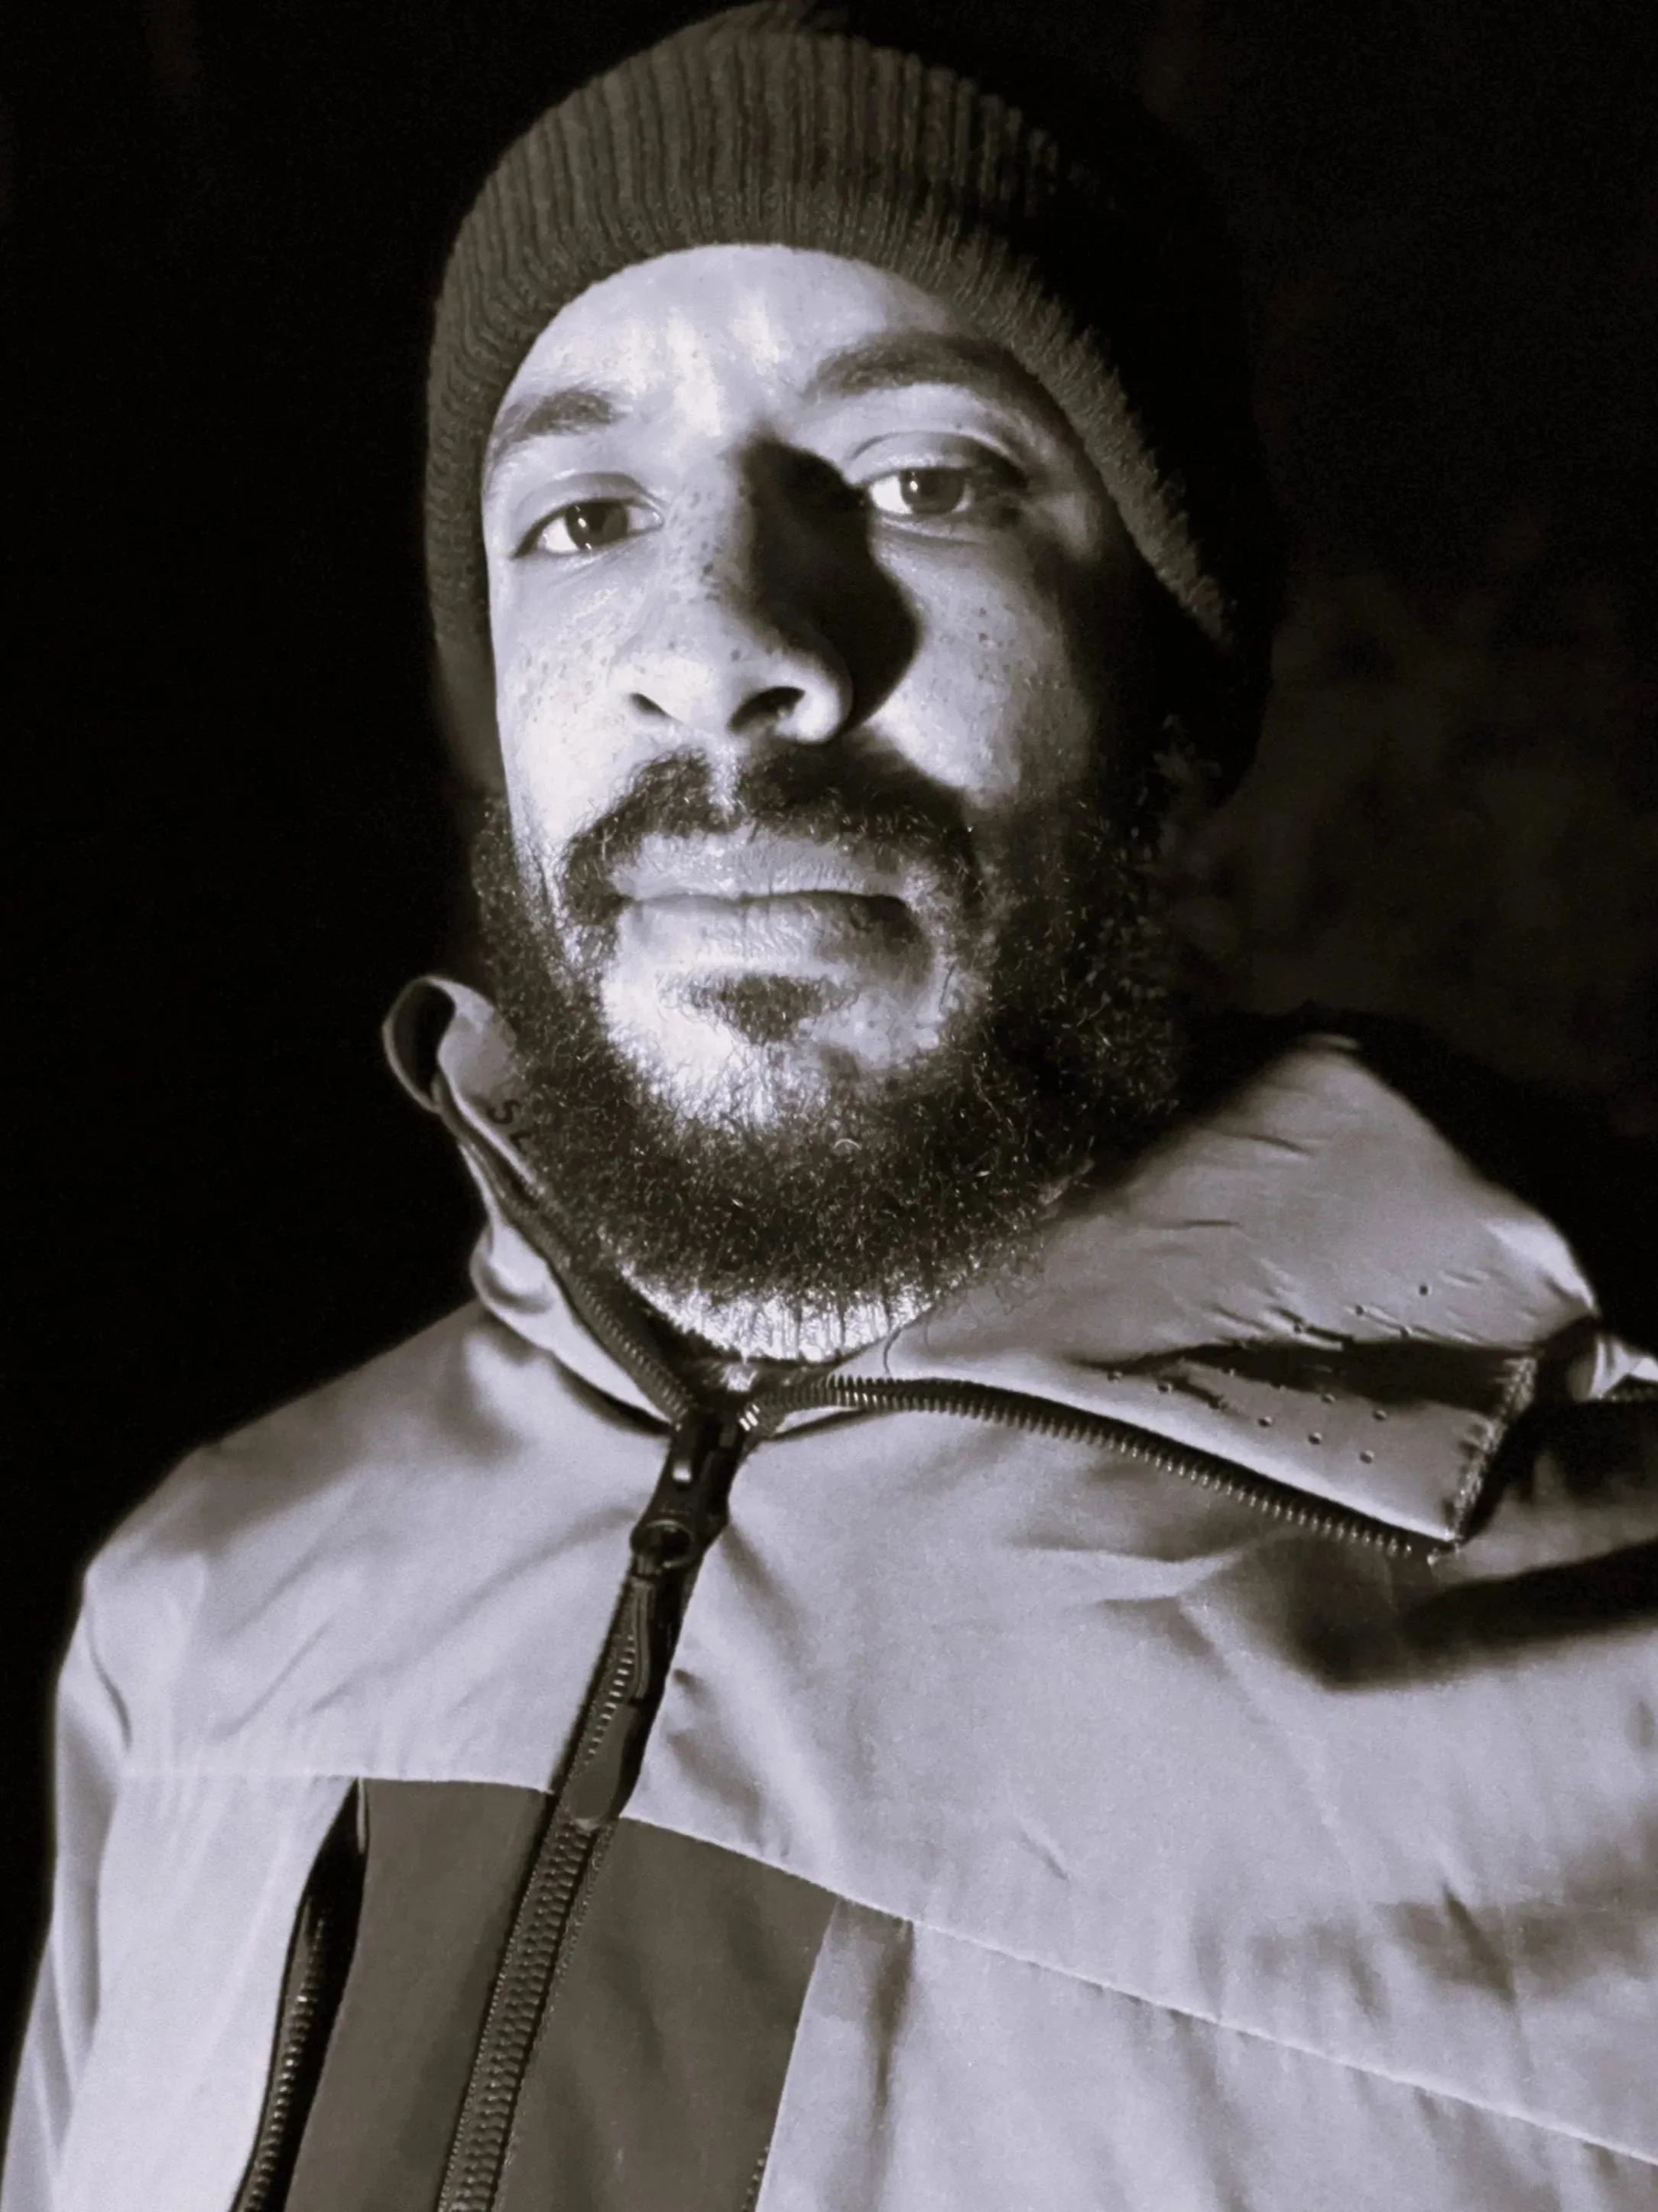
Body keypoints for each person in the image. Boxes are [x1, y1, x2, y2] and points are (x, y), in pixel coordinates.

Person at [5, 4, 1656, 2207]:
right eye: (583, 513)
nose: (719, 638)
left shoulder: (1608, 1674)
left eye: (922, 481)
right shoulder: (197, 1610)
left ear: (1170, 673)